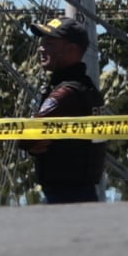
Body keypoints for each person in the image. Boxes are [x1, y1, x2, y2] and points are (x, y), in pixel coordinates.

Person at [23, 17, 106, 205]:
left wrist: (29, 141)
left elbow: (28, 137)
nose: (41, 48)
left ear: (71, 50)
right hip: (79, 195)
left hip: (66, 197)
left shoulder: (67, 93)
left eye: (50, 43)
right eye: (42, 42)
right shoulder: (86, 89)